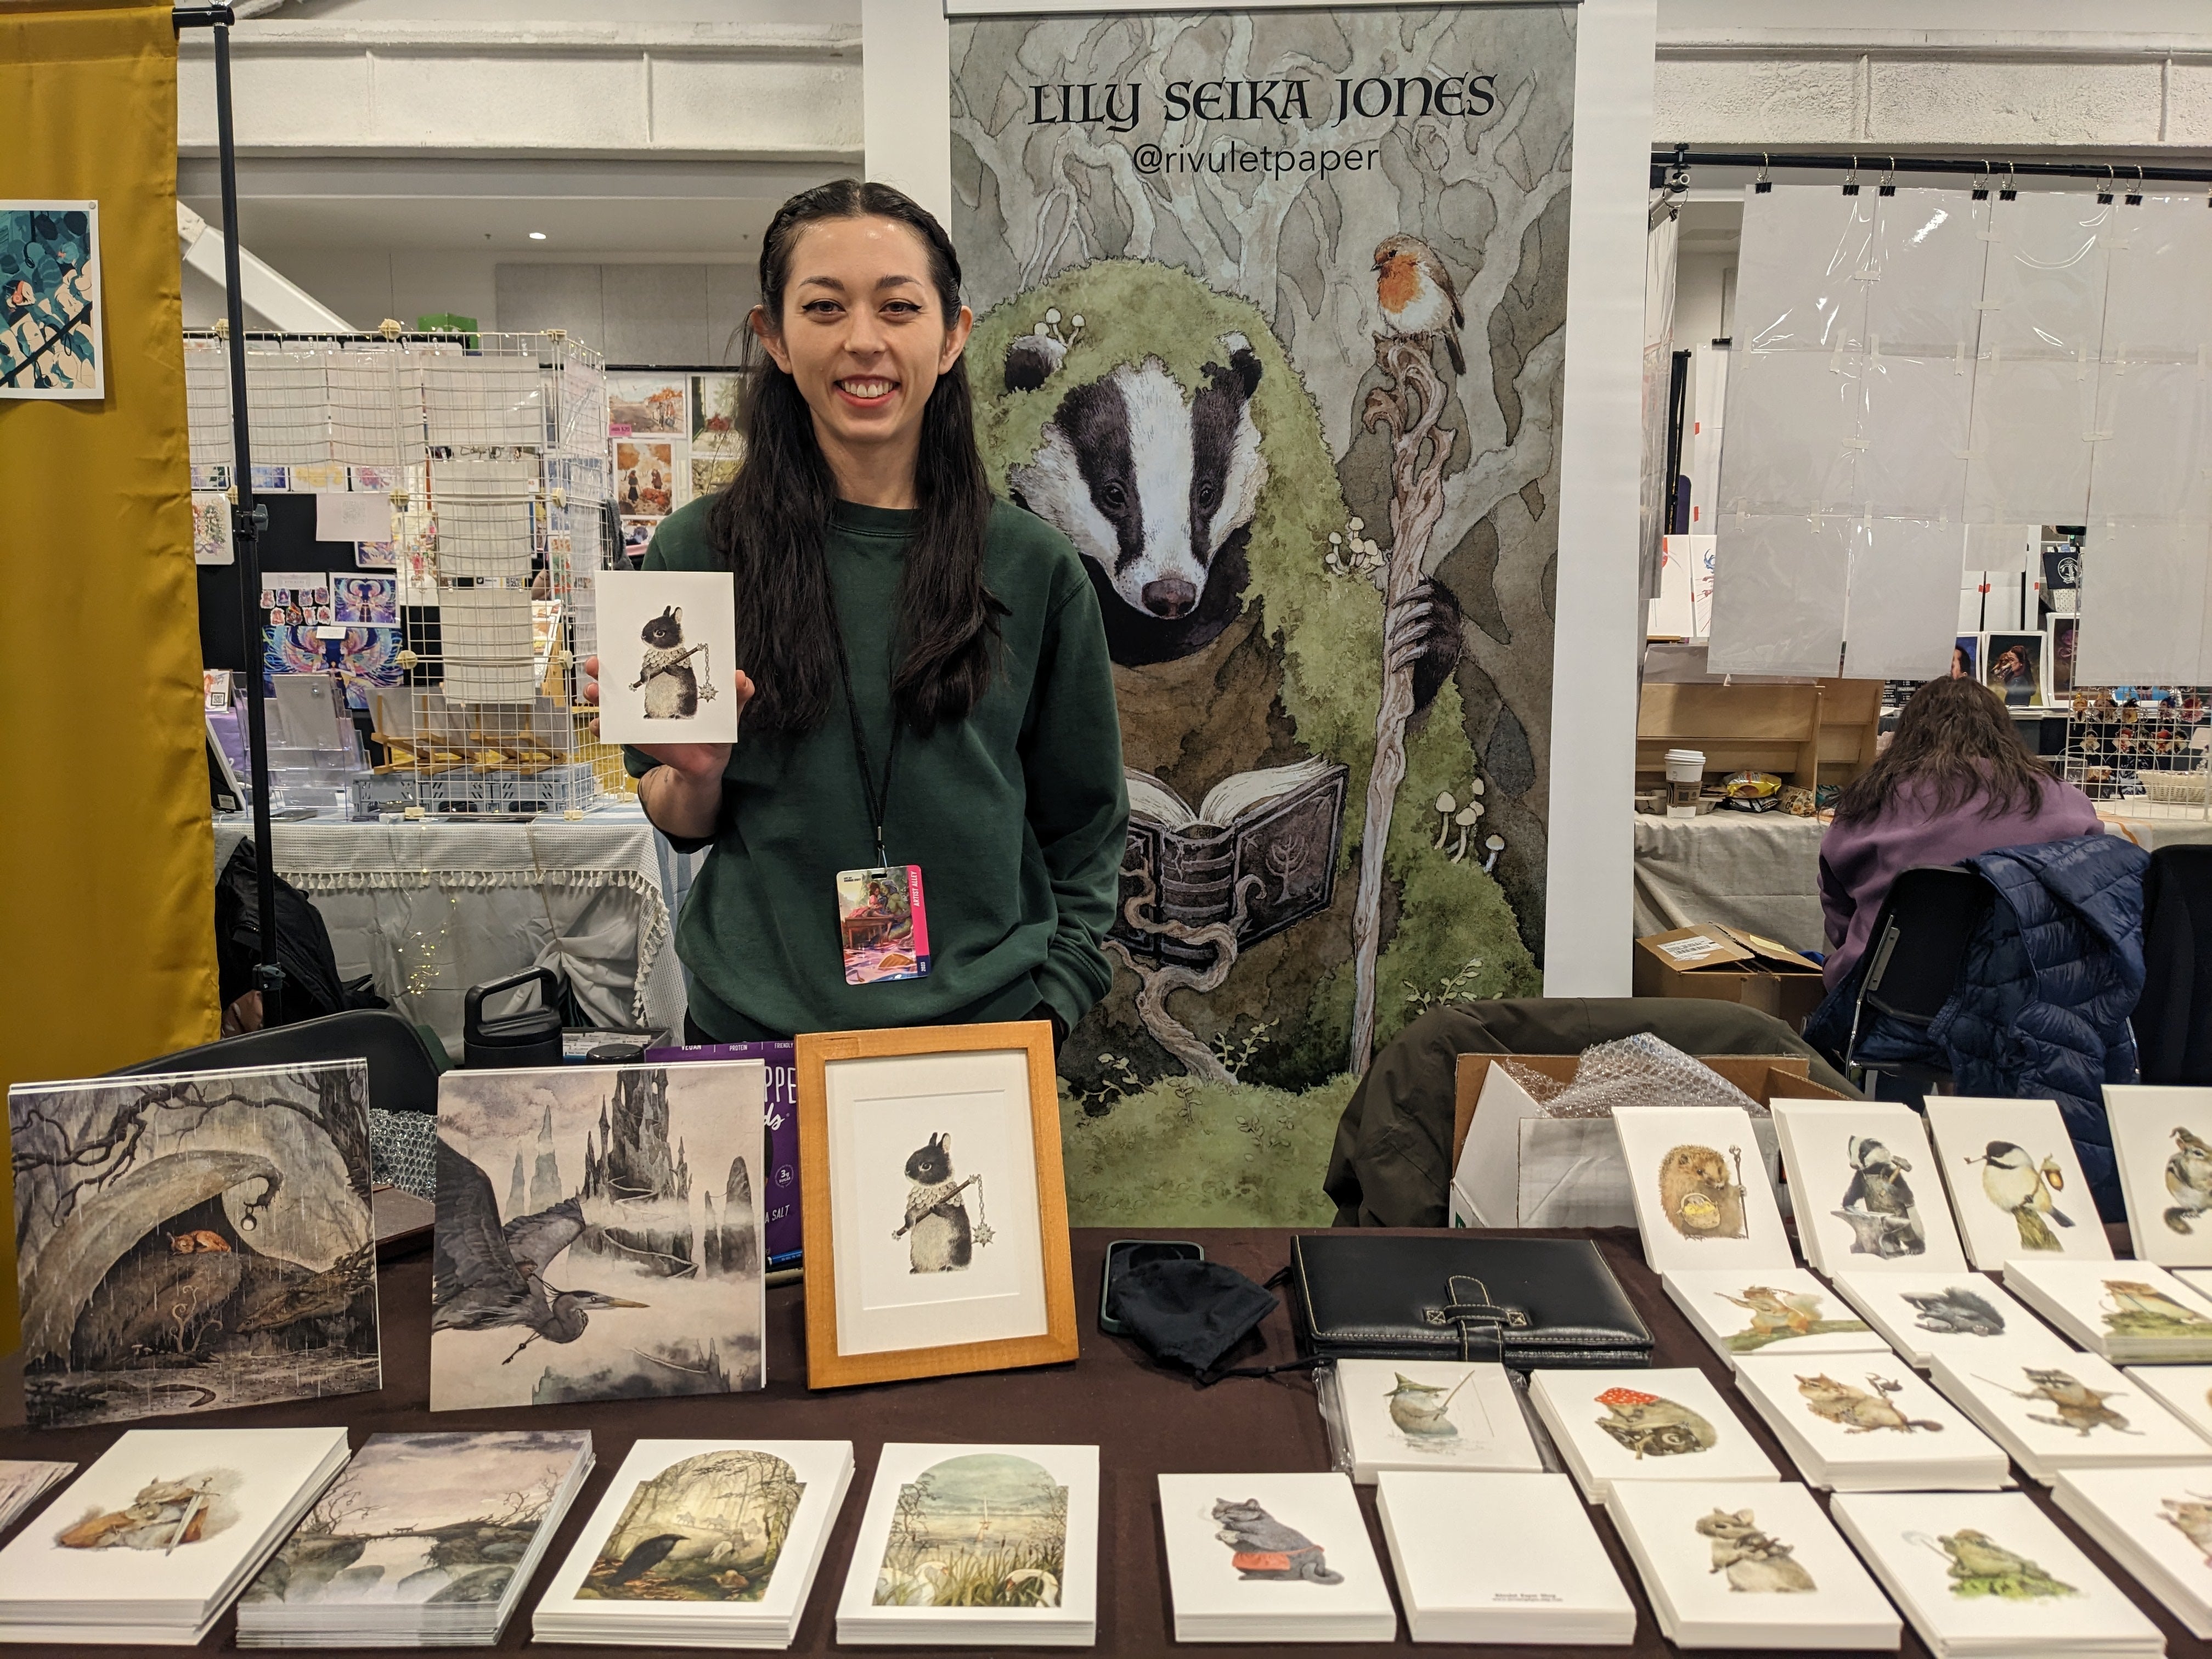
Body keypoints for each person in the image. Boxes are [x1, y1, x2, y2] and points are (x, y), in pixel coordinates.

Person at [586, 179, 1128, 1045]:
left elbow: (1087, 822)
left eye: (899, 307)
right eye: (825, 307)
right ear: (776, 336)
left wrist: (1052, 1002)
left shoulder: (1035, 567)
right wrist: (697, 771)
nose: (863, 342)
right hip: (754, 1035)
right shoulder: (695, 552)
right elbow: (677, 820)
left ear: (953, 335)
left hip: (983, 1031)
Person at [1817, 674, 2100, 992]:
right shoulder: (2068, 802)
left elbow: (1839, 915)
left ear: (1908, 734)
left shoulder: (1871, 801)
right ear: (2004, 732)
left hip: (1891, 1000)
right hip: (2036, 1001)